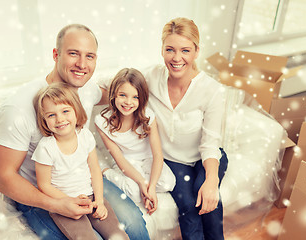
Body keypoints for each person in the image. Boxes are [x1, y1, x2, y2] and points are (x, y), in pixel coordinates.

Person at [0, 24, 149, 240]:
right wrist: (56, 204)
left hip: (85, 181)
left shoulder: (86, 88)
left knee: (132, 225)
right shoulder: (18, 108)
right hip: (41, 192)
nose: (82, 64)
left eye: (90, 56)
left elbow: (117, 94)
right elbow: (2, 177)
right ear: (56, 54)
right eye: (73, 53)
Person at [143, 17, 229, 240]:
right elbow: (115, 85)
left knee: (208, 197)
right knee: (190, 208)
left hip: (206, 157)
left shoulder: (212, 90)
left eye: (185, 50)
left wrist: (212, 181)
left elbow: (210, 145)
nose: (177, 58)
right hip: (172, 160)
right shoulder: (151, 77)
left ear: (196, 51)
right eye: (170, 49)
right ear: (162, 50)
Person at [32, 83, 129, 240]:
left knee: (119, 236)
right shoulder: (45, 148)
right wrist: (69, 201)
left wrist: (99, 200)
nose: (60, 119)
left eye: (65, 111)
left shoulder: (85, 136)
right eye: (51, 115)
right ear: (43, 119)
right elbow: (44, 185)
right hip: (63, 203)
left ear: (76, 111)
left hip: (90, 196)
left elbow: (95, 170)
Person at [94, 68, 176, 215]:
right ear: (113, 95)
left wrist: (150, 188)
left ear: (142, 98)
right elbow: (119, 159)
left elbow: (158, 155)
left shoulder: (148, 116)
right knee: (135, 192)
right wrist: (142, 182)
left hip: (147, 159)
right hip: (125, 163)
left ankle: (144, 184)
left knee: (168, 182)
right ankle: (106, 172)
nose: (128, 102)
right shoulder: (101, 121)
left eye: (135, 97)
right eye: (123, 95)